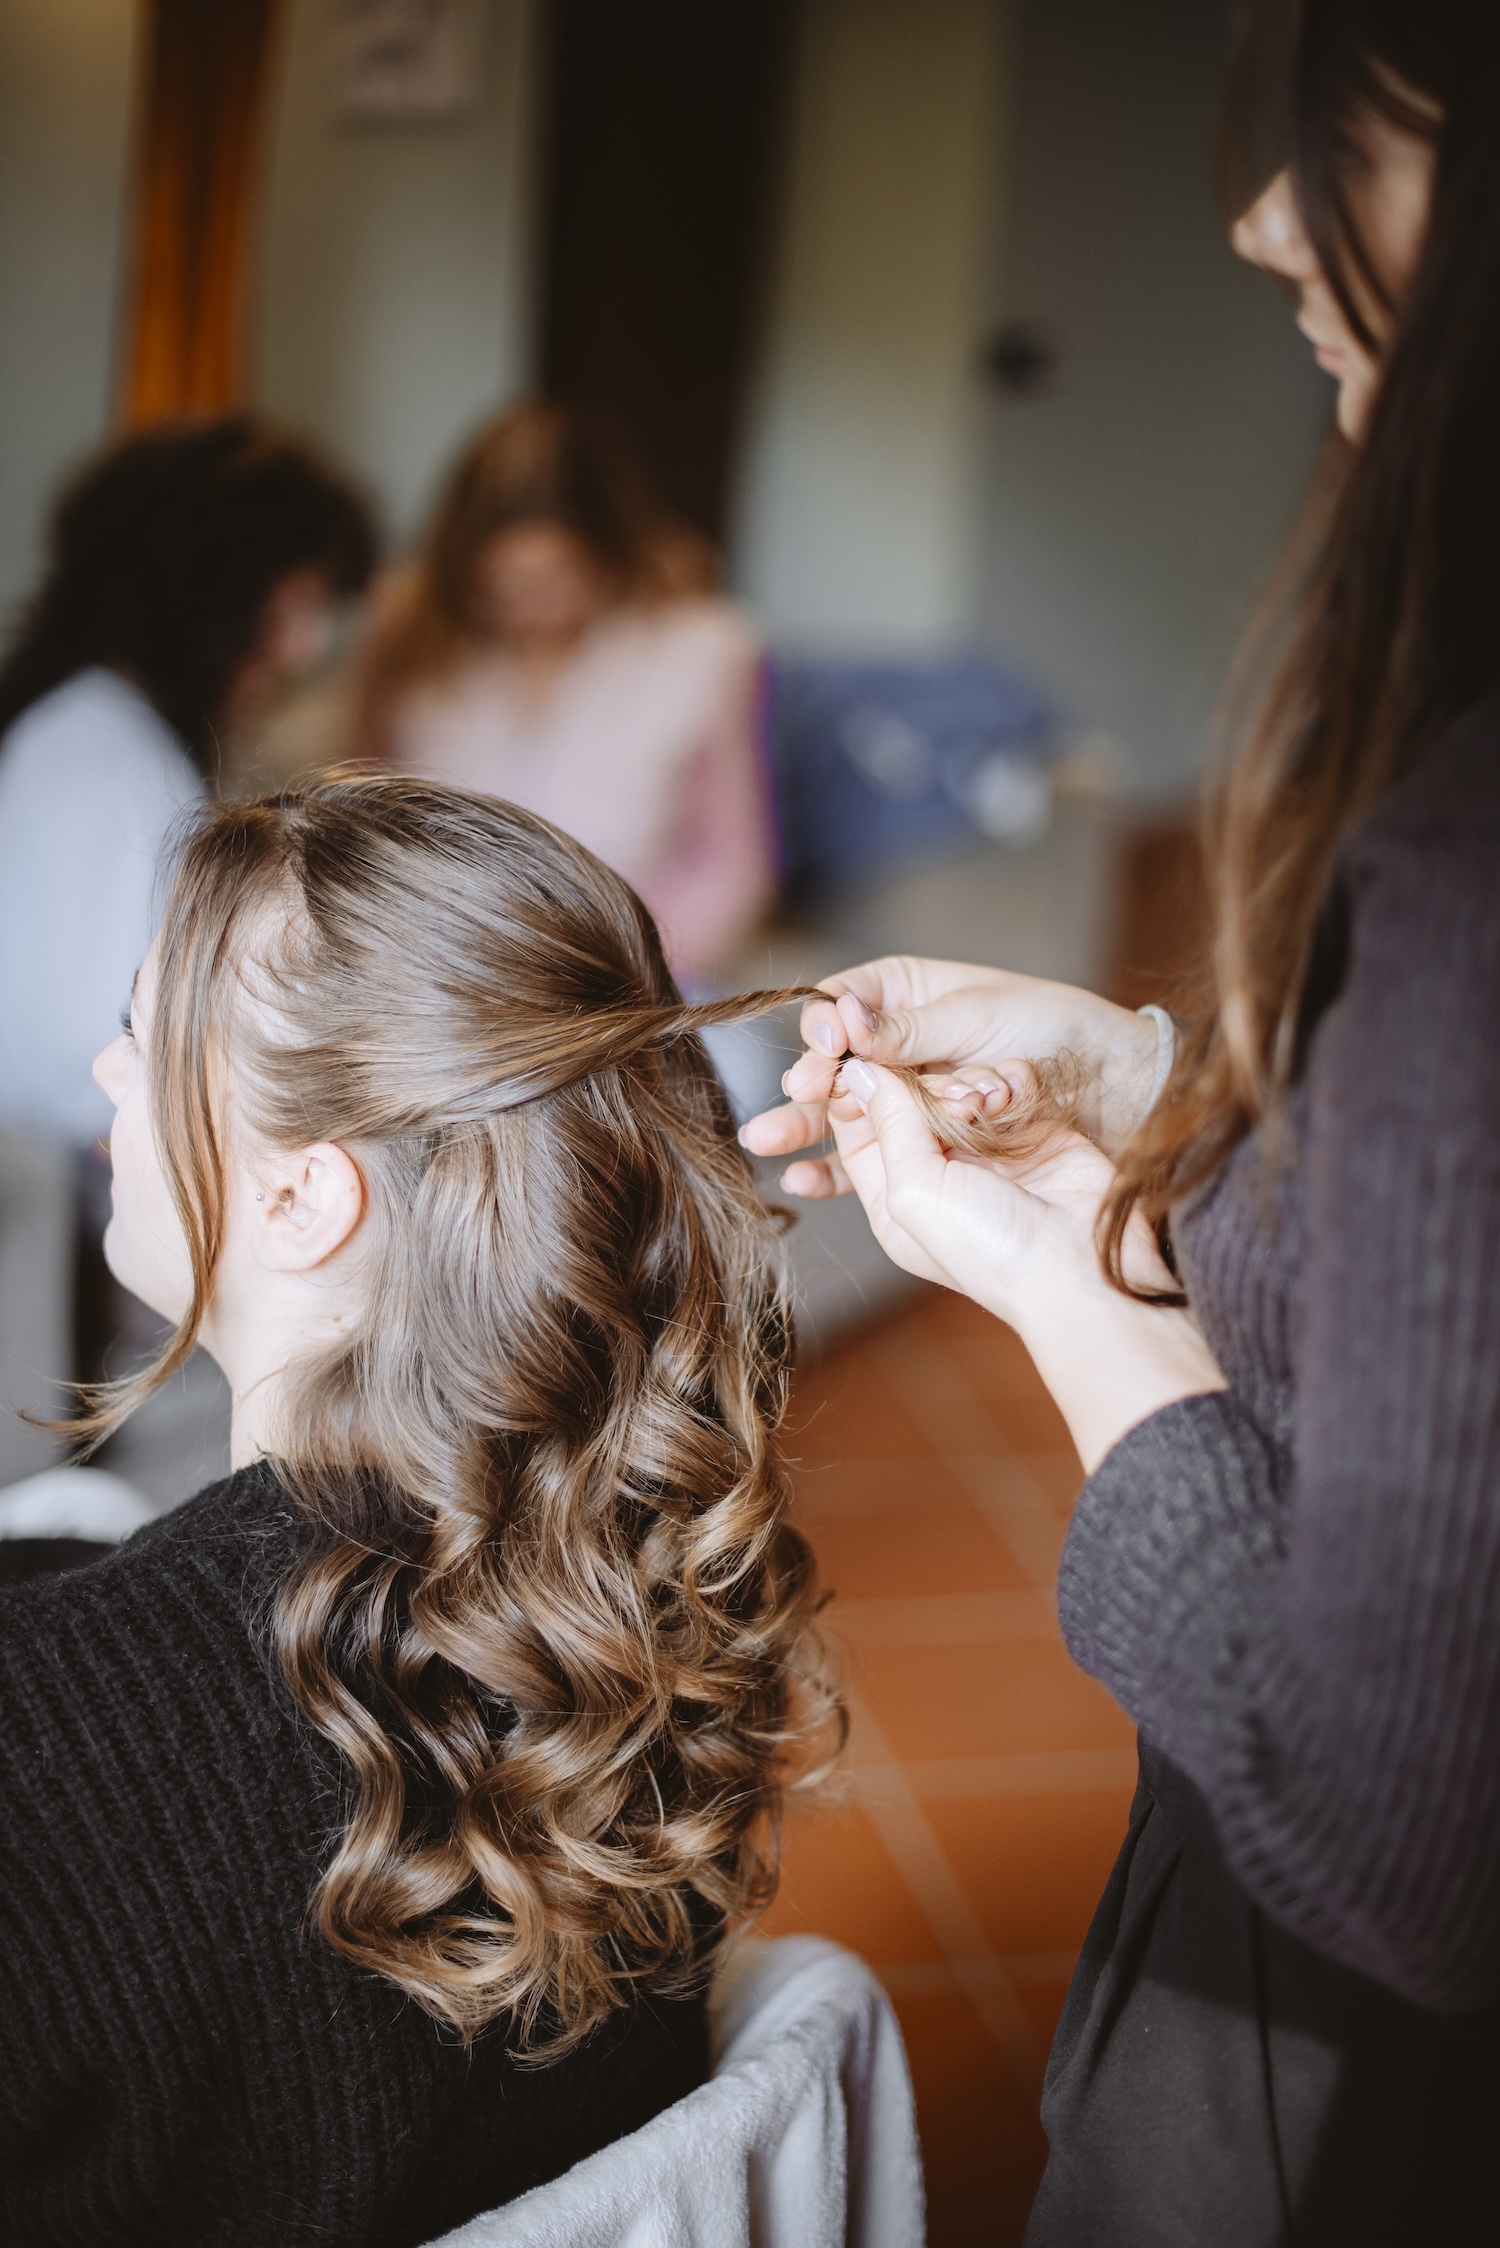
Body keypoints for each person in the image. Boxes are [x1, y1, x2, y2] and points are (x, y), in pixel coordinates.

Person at [743, 0, 1500, 2236]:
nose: (1265, 217)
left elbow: (1399, 1837)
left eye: (1352, 113)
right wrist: (1139, 1090)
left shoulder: (1464, 871)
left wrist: (1055, 1286)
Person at [0, 774, 836, 2242]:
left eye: (148, 1034)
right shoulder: (644, 1593)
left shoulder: (45, 1754)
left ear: (299, 1199)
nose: (109, 1070)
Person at [0, 417, 377, 1150]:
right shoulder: (105, 757)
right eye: (298, 604)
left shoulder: (92, 727)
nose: (303, 650)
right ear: (216, 590)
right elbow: (103, 1047)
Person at [350, 402, 776, 989]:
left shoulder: (704, 653)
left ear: (612, 561)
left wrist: (634, 967)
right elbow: (354, 810)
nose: (528, 611)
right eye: (501, 588)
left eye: (555, 583)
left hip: (629, 964)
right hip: (438, 957)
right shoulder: (410, 634)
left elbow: (732, 864)